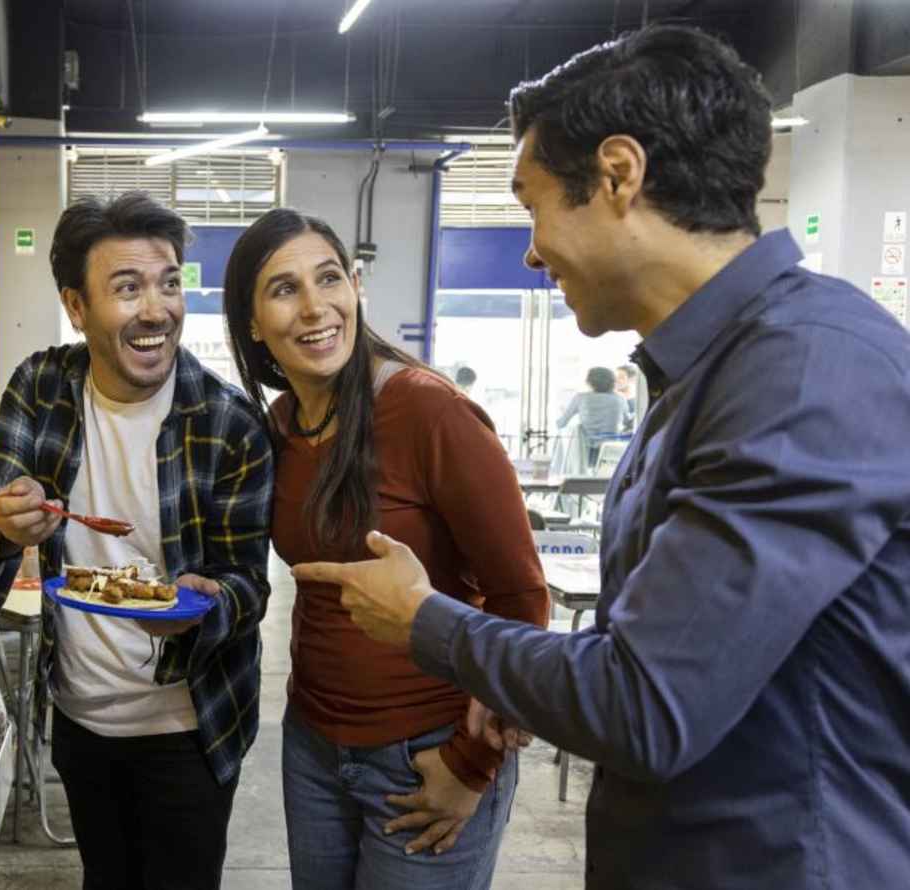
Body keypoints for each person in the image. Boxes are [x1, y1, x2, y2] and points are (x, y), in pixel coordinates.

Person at [292, 25, 910, 890]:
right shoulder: (708, 372)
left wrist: (428, 621)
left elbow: (646, 702)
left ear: (619, 175)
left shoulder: (805, 370)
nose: (531, 248)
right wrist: (517, 676)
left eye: (533, 205)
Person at [0, 192, 274, 890]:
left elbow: (252, 585)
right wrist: (5, 522)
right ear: (77, 307)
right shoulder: (43, 387)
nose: (156, 309)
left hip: (190, 724)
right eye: (127, 288)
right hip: (78, 716)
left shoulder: (229, 423)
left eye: (168, 283)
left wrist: (211, 597)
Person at [221, 208, 548, 889]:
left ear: (354, 286)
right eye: (284, 289)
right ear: (252, 323)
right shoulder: (280, 427)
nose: (316, 308)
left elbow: (521, 596)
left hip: (426, 754)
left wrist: (472, 766)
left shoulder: (430, 412)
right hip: (313, 747)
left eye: (329, 278)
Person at [555, 366, 629, 467]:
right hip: (612, 451)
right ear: (612, 382)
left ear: (589, 382)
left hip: (586, 450)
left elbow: (561, 423)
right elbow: (627, 422)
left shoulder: (581, 398)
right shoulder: (620, 398)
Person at [614, 363, 640, 431]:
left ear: (632, 379)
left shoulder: (639, 399)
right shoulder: (612, 398)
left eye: (621, 377)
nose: (616, 380)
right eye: (615, 377)